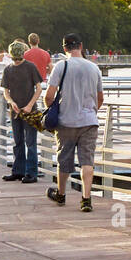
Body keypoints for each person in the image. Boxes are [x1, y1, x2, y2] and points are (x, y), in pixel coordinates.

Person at [44, 32, 104, 212]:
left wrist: (55, 109)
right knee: (87, 161)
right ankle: (86, 199)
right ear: (81, 46)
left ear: (64, 48)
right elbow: (100, 98)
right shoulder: (94, 68)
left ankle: (61, 194)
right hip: (89, 121)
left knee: (64, 160)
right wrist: (91, 111)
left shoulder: (61, 66)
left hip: (66, 121)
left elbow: (49, 96)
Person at [0, 40, 43, 184]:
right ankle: (18, 171)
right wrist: (11, 103)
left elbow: (39, 89)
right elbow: (6, 92)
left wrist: (30, 105)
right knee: (18, 142)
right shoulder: (8, 69)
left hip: (30, 112)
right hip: (15, 112)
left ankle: (31, 173)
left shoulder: (30, 67)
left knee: (31, 143)